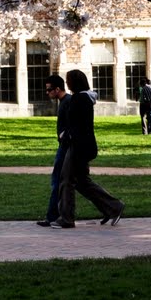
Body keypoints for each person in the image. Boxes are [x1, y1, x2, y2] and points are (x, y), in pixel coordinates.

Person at [52, 68, 124, 228]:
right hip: (84, 146)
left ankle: (66, 218)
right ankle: (113, 207)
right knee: (81, 182)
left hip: (78, 147)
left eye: (69, 80)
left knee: (67, 180)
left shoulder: (79, 99)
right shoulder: (84, 98)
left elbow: (77, 124)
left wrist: (66, 135)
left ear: (74, 82)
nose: (67, 83)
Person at [36, 74, 67, 227]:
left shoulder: (67, 102)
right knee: (82, 184)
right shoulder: (63, 102)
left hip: (66, 148)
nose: (47, 93)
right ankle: (112, 207)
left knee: (57, 181)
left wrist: (63, 136)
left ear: (57, 89)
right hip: (65, 146)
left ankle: (52, 216)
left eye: (49, 90)